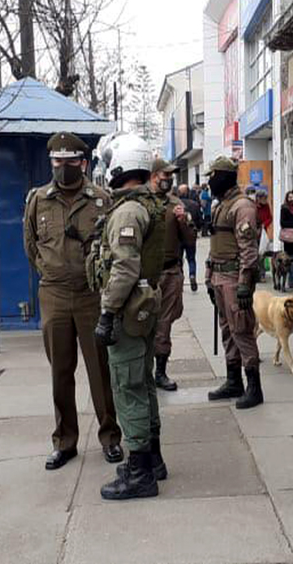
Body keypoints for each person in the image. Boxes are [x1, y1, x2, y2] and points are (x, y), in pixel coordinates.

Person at [24, 132, 123, 471]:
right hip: (53, 295)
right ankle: (65, 442)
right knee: (60, 372)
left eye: (69, 162)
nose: (63, 167)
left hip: (90, 295)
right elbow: (31, 245)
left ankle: (110, 437)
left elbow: (111, 247)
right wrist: (49, 272)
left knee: (101, 371)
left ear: (83, 163)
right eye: (57, 162)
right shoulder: (39, 200)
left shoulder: (101, 199)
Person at [90, 133, 167, 500]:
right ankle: (151, 459)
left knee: (128, 386)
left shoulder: (128, 211)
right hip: (144, 307)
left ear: (121, 165)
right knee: (144, 382)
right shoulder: (149, 205)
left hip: (127, 310)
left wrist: (107, 313)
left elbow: (123, 268)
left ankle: (140, 474)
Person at [205, 156, 263, 409]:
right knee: (227, 331)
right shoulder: (221, 205)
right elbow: (216, 243)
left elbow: (248, 250)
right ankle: (233, 381)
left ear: (225, 176)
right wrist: (208, 277)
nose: (209, 180)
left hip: (233, 278)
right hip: (219, 277)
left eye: (213, 175)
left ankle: (254, 387)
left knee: (241, 330)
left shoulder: (242, 206)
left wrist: (244, 284)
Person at [149, 163, 195, 392]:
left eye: (171, 176)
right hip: (146, 274)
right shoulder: (141, 202)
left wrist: (183, 222)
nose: (169, 179)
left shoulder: (176, 204)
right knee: (142, 322)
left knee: (164, 323)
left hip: (170, 272)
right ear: (153, 176)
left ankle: (160, 371)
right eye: (165, 175)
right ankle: (143, 369)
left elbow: (190, 240)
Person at [177, 184, 202, 292]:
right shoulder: (195, 204)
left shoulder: (175, 205)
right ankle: (192, 275)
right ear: (188, 192)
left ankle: (180, 280)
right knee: (191, 259)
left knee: (179, 259)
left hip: (178, 237)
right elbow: (199, 221)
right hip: (191, 236)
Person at [256, 190, 273, 282]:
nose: (266, 200)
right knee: (255, 254)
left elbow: (270, 218)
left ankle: (262, 275)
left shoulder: (266, 206)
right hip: (254, 233)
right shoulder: (253, 206)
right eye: (264, 198)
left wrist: (264, 224)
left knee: (262, 254)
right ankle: (256, 274)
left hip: (263, 232)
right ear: (258, 198)